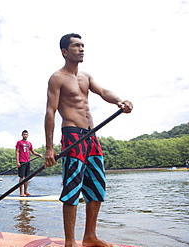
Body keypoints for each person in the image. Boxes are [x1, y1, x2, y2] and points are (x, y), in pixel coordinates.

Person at [44, 33, 133, 247]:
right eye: (76, 45)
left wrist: (120, 101)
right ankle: (69, 242)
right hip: (72, 136)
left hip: (92, 137)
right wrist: (49, 148)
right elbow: (50, 111)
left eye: (83, 45)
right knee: (73, 188)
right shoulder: (57, 77)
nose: (81, 48)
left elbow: (103, 92)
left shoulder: (86, 76)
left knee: (97, 186)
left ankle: (90, 237)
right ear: (64, 51)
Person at [15, 130, 42, 197]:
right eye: (24, 134)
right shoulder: (19, 142)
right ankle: (21, 193)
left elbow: (33, 152)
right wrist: (17, 162)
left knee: (27, 177)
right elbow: (17, 152)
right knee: (22, 177)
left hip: (27, 162)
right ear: (22, 135)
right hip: (22, 161)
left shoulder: (29, 143)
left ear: (28, 135)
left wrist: (39, 154)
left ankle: (26, 192)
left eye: (26, 134)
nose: (25, 135)